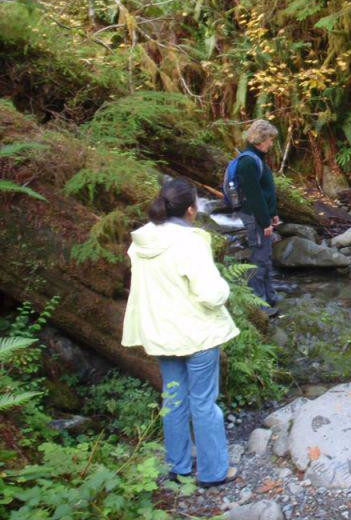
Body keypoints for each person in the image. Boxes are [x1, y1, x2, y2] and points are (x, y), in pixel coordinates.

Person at [122, 178, 240, 487]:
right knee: (203, 402)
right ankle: (214, 472)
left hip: (160, 333)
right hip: (196, 333)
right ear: (190, 210)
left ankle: (179, 467)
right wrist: (225, 287)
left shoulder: (141, 241)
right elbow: (211, 294)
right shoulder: (190, 242)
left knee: (173, 398)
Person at [236, 120, 281, 315]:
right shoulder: (247, 162)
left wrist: (273, 214)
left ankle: (270, 296)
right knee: (259, 259)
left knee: (266, 257)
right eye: (270, 139)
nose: (272, 144)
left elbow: (265, 192)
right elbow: (254, 196)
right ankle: (259, 304)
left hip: (262, 216)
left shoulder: (256, 158)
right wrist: (264, 221)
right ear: (261, 139)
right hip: (255, 218)